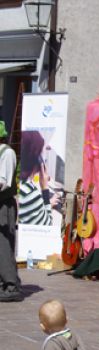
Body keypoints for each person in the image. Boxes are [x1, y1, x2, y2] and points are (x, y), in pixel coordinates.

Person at [0, 121, 22, 302]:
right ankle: (4, 282)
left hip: (4, 205)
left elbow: (3, 181)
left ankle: (11, 286)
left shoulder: (7, 152)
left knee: (4, 245)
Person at [19, 130, 56, 225]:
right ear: (37, 158)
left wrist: (40, 207)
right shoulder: (29, 193)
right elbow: (48, 225)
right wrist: (44, 188)